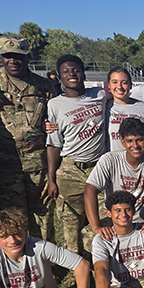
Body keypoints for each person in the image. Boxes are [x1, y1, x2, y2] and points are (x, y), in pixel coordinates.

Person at [0, 35, 57, 242]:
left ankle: (44, 264)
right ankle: (16, 264)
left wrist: (47, 125)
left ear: (28, 57)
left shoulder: (43, 86)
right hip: (4, 166)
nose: (13, 60)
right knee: (11, 221)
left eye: (18, 56)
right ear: (1, 56)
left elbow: (53, 119)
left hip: (38, 166)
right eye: (8, 56)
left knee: (43, 219)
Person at [46, 54, 107, 255]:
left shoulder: (99, 94)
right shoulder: (55, 104)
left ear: (83, 73)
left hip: (98, 166)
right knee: (71, 222)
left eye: (75, 70)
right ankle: (76, 269)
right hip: (70, 169)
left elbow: (123, 97)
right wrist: (51, 178)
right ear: (59, 77)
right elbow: (54, 144)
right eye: (66, 71)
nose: (71, 74)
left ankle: (100, 262)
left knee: (102, 219)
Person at [84, 117, 144, 248]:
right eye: (129, 141)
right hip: (117, 219)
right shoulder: (109, 159)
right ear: (123, 142)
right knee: (88, 236)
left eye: (139, 140)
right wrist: (96, 227)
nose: (135, 146)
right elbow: (89, 191)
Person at [104, 66, 144, 152]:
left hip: (141, 161)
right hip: (115, 162)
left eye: (124, 82)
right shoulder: (105, 107)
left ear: (130, 85)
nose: (119, 86)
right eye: (115, 82)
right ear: (109, 85)